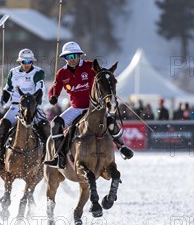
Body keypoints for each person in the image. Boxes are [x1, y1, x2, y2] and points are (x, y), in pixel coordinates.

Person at [44, 41, 134, 169]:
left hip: (95, 107)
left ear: (80, 55)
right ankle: (60, 157)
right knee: (56, 124)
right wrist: (52, 97)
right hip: (76, 108)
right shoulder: (62, 73)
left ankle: (122, 147)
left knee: (112, 123)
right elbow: (54, 90)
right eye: (69, 57)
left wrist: (109, 87)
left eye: (75, 55)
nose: (72, 59)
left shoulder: (90, 66)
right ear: (65, 58)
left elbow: (103, 76)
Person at [0, 49, 50, 171]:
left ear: (32, 61)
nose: (26, 64)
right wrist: (2, 101)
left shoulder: (38, 72)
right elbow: (7, 89)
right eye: (23, 61)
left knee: (45, 127)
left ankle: (48, 157)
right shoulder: (13, 72)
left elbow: (39, 90)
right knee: (1, 127)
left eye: (29, 61)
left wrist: (33, 103)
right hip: (16, 106)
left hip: (32, 106)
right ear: (19, 62)